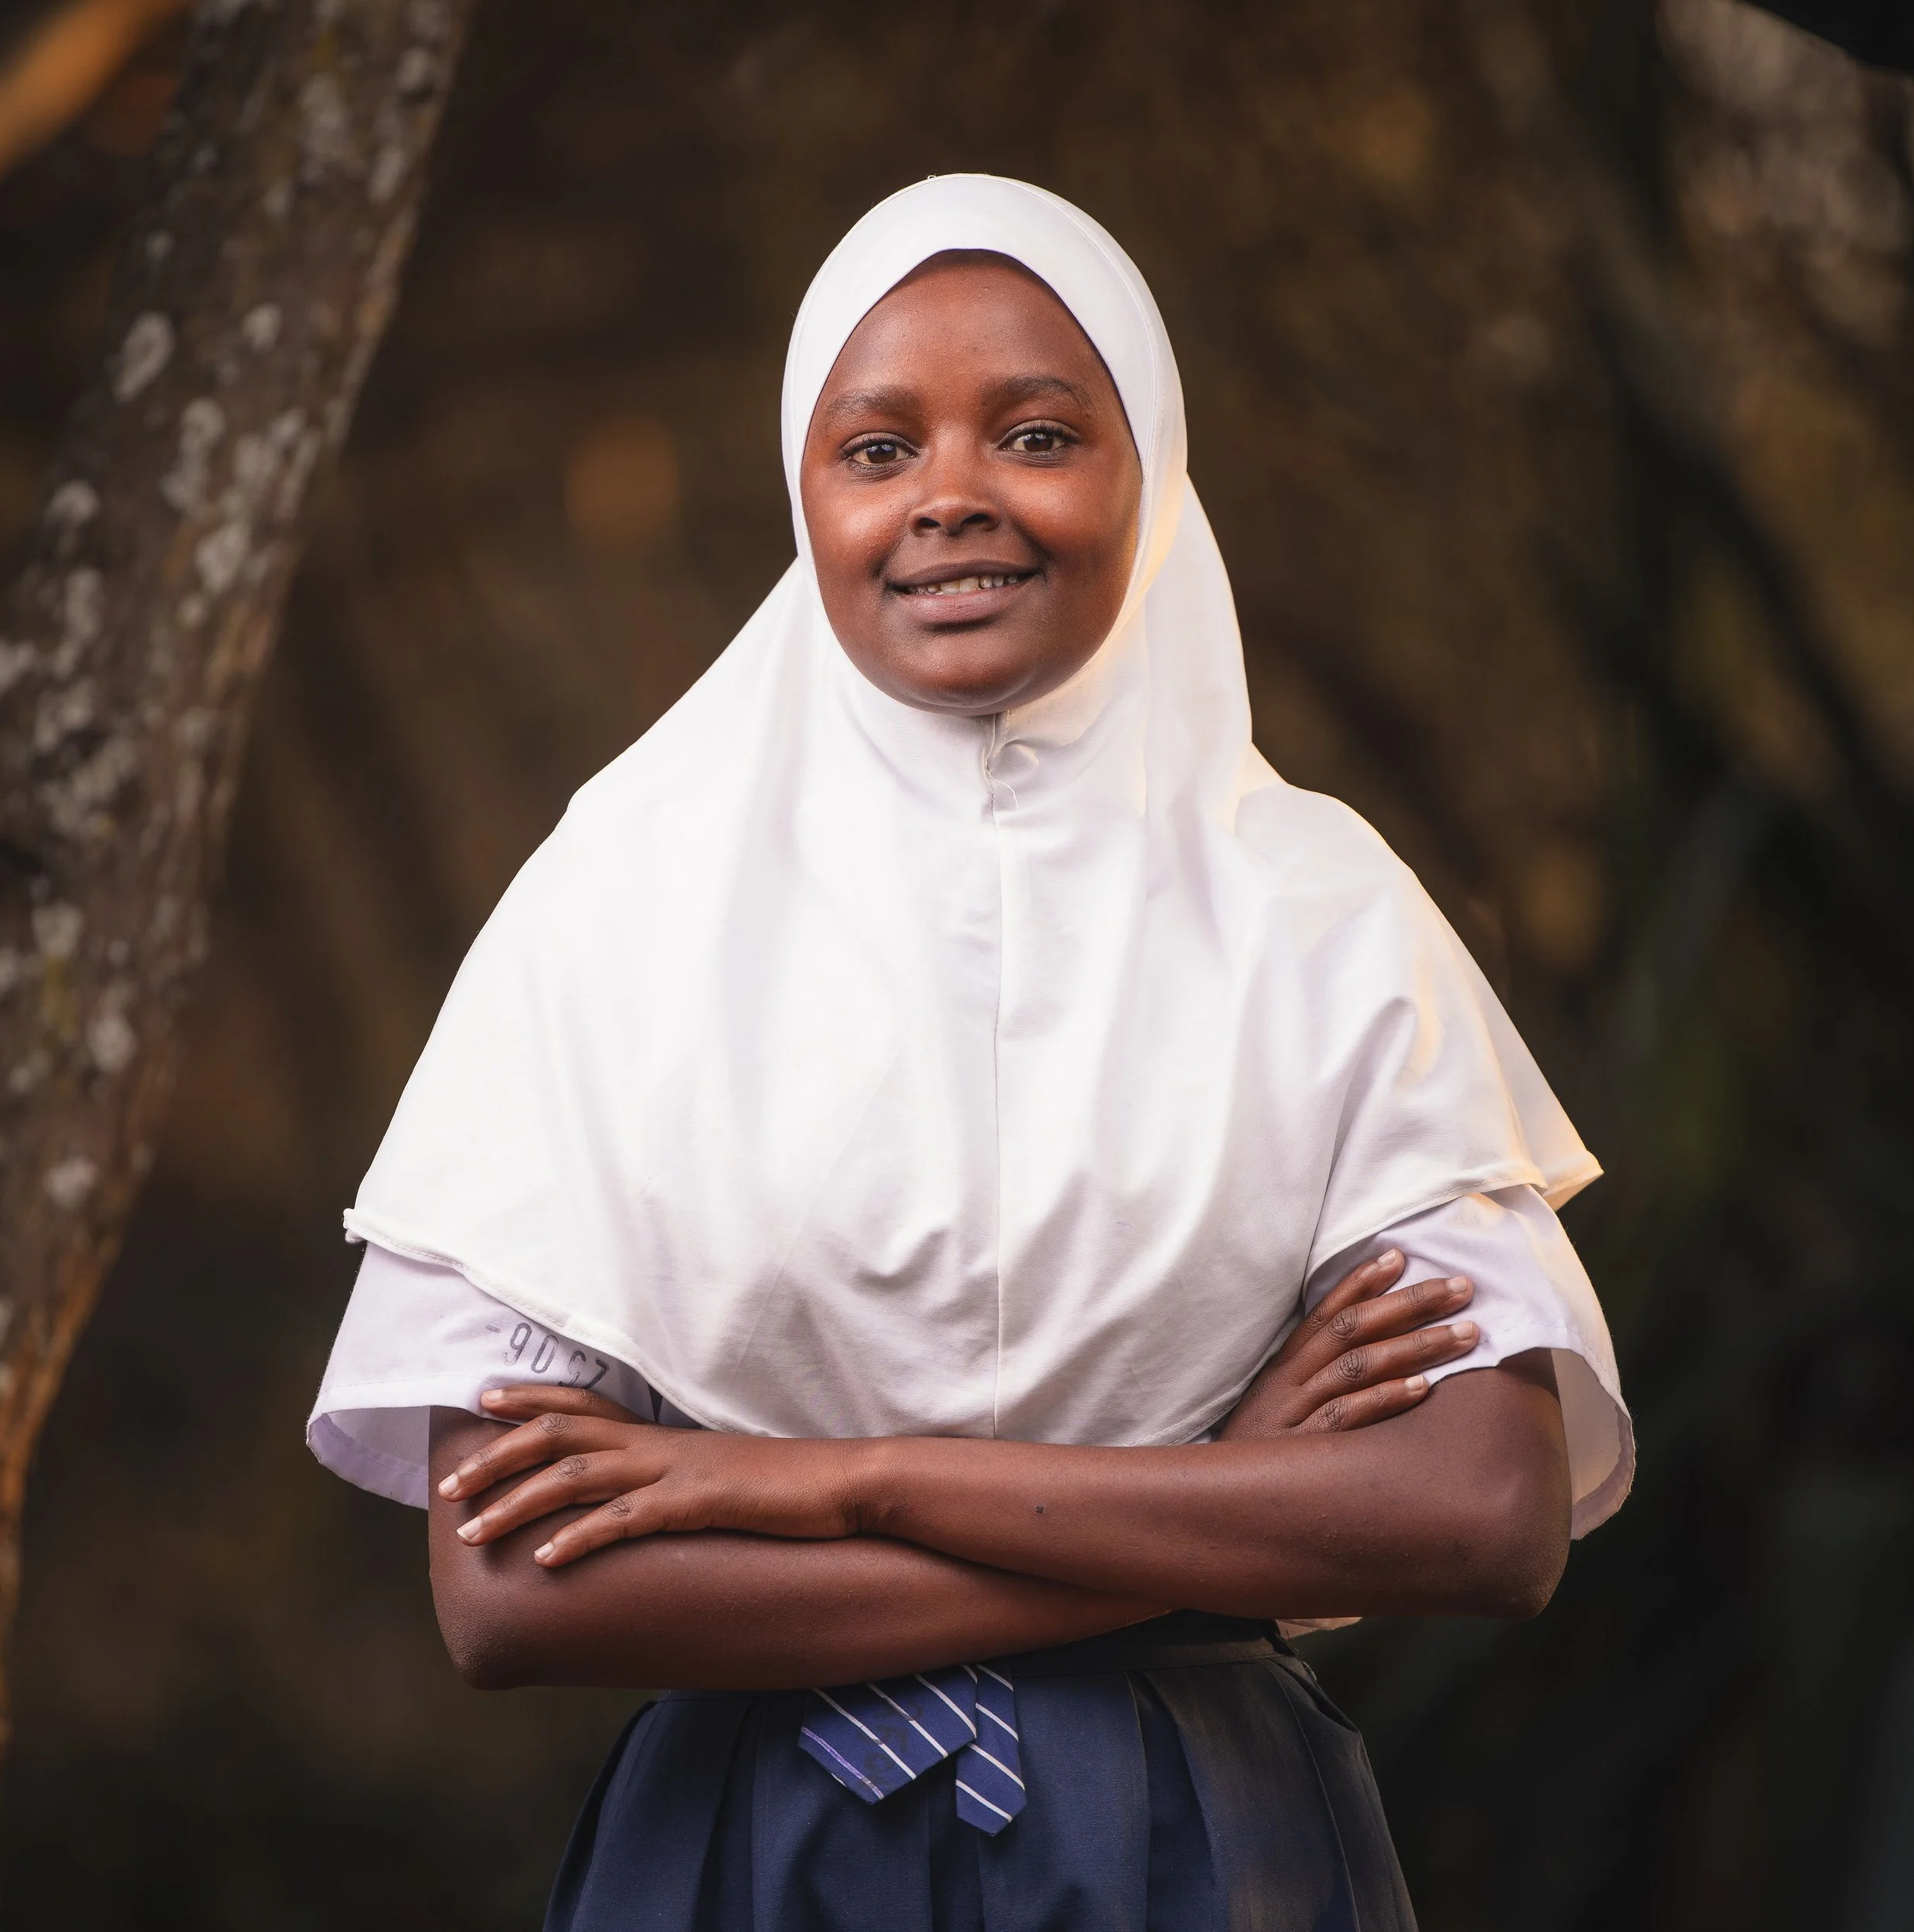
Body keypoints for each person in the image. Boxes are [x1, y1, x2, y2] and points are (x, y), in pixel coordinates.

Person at [308, 175, 1631, 1930]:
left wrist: (821, 1484)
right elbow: (509, 1597)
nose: (949, 496)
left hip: (1202, 1845)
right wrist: (1209, 1505)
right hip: (752, 1853)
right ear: (805, 492)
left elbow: (1480, 1516)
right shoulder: (613, 904)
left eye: (1031, 431)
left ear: (1145, 467)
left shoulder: (1319, 909)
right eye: (875, 448)